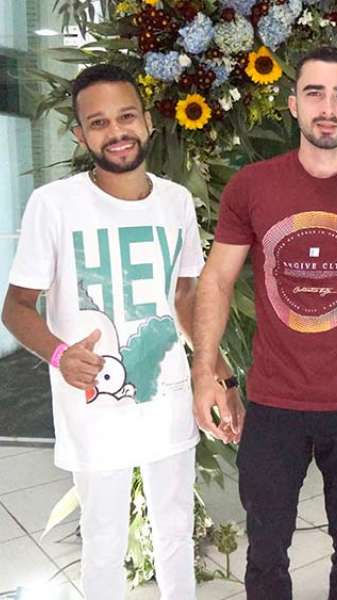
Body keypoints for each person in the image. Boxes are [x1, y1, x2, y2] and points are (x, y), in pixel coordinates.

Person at [190, 45, 337, 600]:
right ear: (294, 104)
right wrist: (206, 371)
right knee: (266, 549)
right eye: (315, 93)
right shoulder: (252, 186)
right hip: (273, 402)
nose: (328, 107)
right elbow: (216, 280)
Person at [1, 63, 239, 600]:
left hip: (166, 394)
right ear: (80, 135)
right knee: (104, 540)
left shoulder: (175, 201)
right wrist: (59, 354)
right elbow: (16, 307)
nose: (116, 132)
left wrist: (220, 377)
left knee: (175, 531)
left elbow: (185, 298)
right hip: (93, 405)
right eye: (99, 122)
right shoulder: (53, 205)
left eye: (126, 116)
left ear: (148, 121)